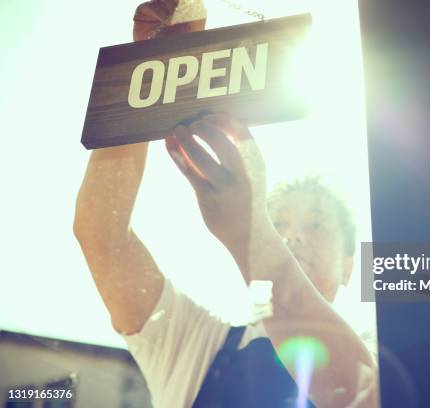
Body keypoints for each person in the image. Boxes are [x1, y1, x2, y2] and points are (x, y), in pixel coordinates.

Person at [73, 1, 377, 407]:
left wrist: (253, 232)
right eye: (279, 223)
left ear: (348, 267)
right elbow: (102, 236)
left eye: (317, 225)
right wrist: (153, 72)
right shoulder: (192, 344)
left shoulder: (379, 364)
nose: (292, 237)